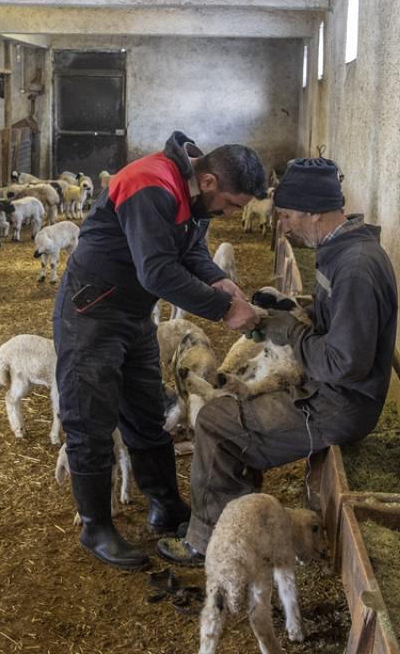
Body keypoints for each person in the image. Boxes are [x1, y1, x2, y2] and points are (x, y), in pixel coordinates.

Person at [157, 157, 398, 566]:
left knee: (215, 422)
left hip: (338, 404)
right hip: (324, 390)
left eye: (286, 215)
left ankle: (210, 541)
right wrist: (280, 320)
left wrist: (292, 333)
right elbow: (332, 333)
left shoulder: (355, 268)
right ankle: (246, 525)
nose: (281, 225)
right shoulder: (343, 253)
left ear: (313, 210)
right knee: (230, 413)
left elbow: (345, 363)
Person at [54, 131, 267, 570]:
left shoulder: (193, 195)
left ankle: (165, 505)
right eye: (231, 204)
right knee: (90, 416)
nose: (229, 214)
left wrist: (217, 279)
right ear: (209, 182)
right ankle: (95, 525)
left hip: (133, 313)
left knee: (146, 410)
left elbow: (189, 251)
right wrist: (224, 309)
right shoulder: (151, 184)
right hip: (92, 310)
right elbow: (156, 270)